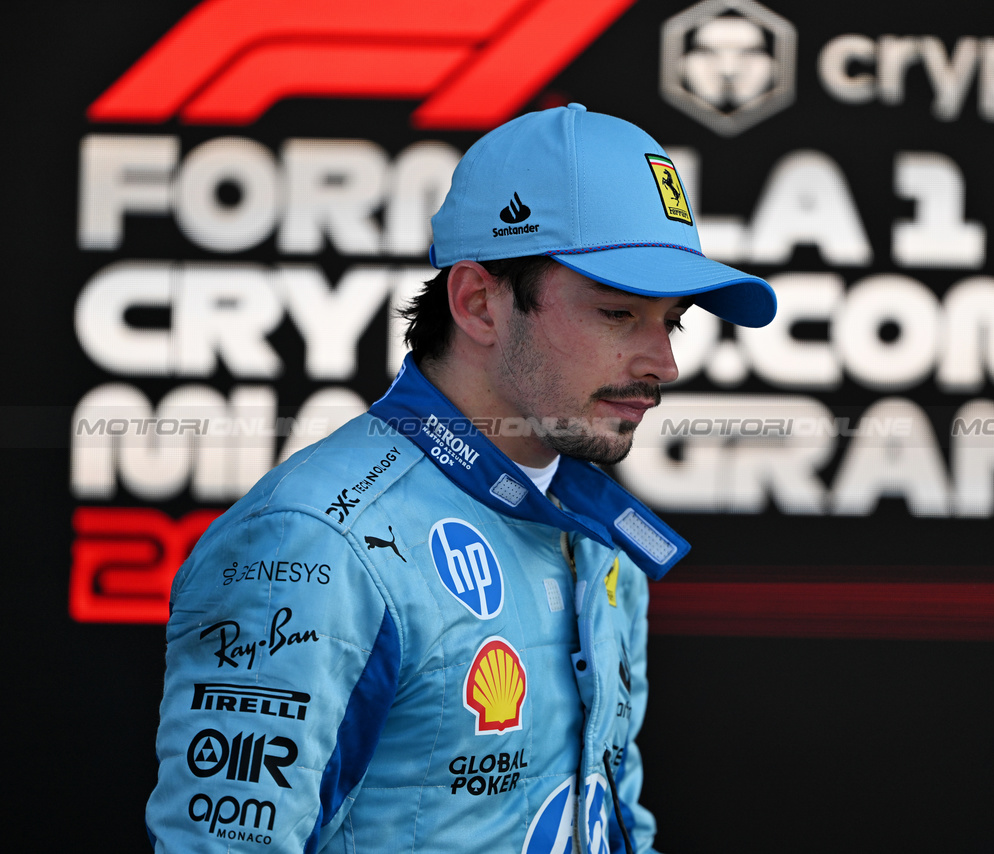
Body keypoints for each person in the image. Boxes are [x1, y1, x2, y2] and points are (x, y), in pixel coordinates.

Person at [145, 103, 776, 853]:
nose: (663, 364)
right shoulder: (316, 541)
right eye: (617, 313)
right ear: (479, 302)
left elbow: (614, 815)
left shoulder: (598, 526)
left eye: (671, 322)